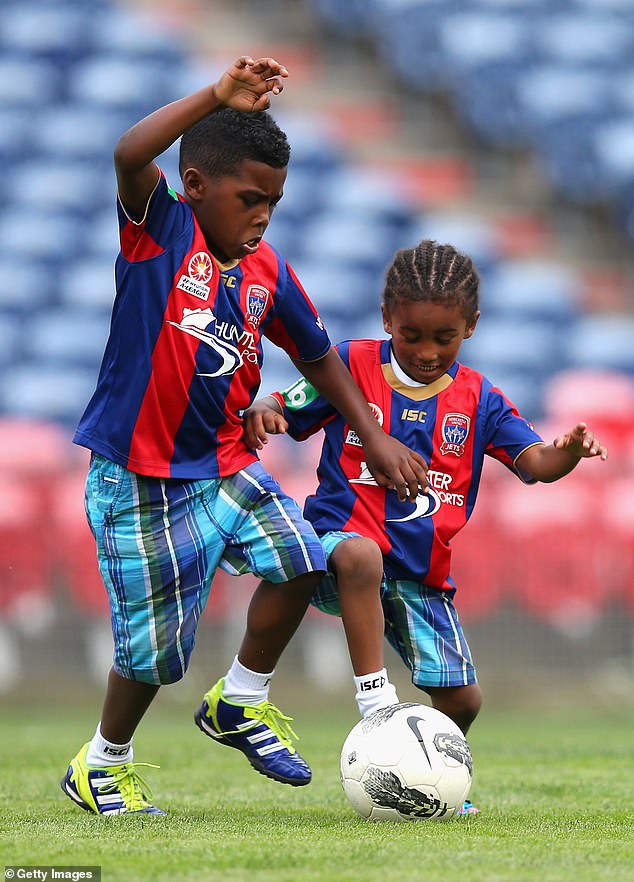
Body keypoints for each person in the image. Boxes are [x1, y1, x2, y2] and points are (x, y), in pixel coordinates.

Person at [60, 55, 428, 816]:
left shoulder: (267, 268)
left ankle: (240, 701)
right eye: (250, 198)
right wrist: (215, 98)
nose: (263, 214)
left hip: (224, 464)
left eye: (275, 201)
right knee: (154, 659)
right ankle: (102, 763)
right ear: (197, 187)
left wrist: (376, 437)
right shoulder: (160, 229)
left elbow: (321, 359)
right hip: (140, 477)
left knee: (301, 559)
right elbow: (130, 153)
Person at [244, 239, 609, 814]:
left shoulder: (480, 400)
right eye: (411, 335)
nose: (427, 351)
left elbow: (534, 465)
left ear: (472, 327)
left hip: (419, 575)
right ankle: (377, 704)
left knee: (463, 700)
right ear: (387, 317)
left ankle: (424, 778)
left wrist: (566, 451)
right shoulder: (352, 366)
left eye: (445, 337)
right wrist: (268, 409)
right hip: (338, 546)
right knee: (362, 556)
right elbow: (287, 407)